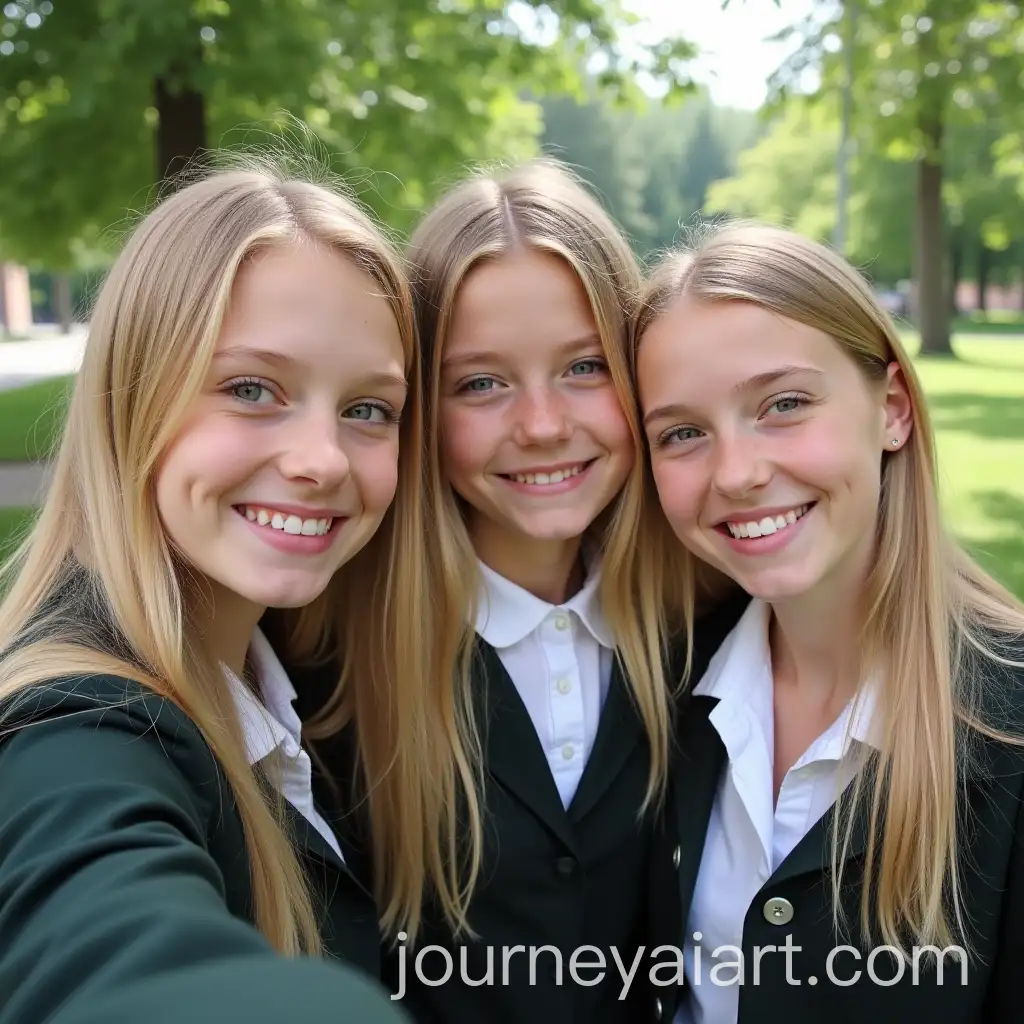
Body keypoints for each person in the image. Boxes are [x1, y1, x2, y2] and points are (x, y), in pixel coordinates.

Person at [290, 158, 742, 1024]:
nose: (541, 426)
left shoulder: (712, 624)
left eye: (583, 367)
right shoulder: (323, 663)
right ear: (419, 402)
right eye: (482, 383)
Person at [0, 158, 429, 1024]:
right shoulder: (72, 728)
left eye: (369, 409)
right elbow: (111, 951)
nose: (324, 459)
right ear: (135, 398)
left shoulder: (303, 678)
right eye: (251, 390)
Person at [632, 221, 1024, 1022]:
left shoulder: (1006, 719)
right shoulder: (660, 680)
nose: (737, 474)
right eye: (682, 434)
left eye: (784, 405)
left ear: (892, 410)